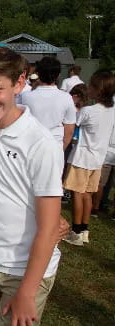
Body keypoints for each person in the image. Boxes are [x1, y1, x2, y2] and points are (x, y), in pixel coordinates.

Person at [0, 46, 64, 326]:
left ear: (19, 82)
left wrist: (28, 292)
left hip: (25, 271)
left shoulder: (41, 144)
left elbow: (50, 227)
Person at [63, 70, 115, 246]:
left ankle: (76, 231)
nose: (89, 88)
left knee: (77, 194)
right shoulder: (111, 110)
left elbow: (70, 122)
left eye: (91, 85)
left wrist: (74, 104)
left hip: (82, 158)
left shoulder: (88, 111)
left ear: (98, 90)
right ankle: (84, 230)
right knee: (87, 195)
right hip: (98, 160)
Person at [21, 56, 76, 151]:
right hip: (55, 146)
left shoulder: (25, 96)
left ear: (38, 74)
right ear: (58, 75)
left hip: (30, 146)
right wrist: (61, 149)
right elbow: (70, 129)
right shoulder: (66, 97)